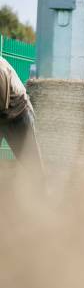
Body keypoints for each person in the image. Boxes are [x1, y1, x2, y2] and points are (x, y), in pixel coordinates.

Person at [0, 56, 45, 191]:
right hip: (3, 115)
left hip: (19, 115)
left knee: (31, 163)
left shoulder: (0, 70)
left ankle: (43, 198)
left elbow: (2, 103)